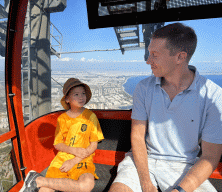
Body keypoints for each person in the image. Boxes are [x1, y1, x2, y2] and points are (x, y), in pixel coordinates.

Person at [109, 23, 222, 192]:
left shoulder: (213, 95)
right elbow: (138, 137)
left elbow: (210, 156)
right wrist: (146, 182)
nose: (148, 61)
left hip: (185, 166)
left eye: (154, 55)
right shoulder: (144, 88)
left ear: (180, 57)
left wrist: (181, 190)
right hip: (142, 160)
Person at [20, 78, 104, 192]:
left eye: (83, 93)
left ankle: (37, 180)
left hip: (83, 159)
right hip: (62, 159)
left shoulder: (91, 117)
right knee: (45, 190)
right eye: (76, 94)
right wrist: (73, 151)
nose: (81, 97)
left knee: (86, 185)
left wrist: (74, 160)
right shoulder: (62, 119)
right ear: (67, 99)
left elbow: (93, 144)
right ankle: (39, 181)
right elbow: (58, 144)